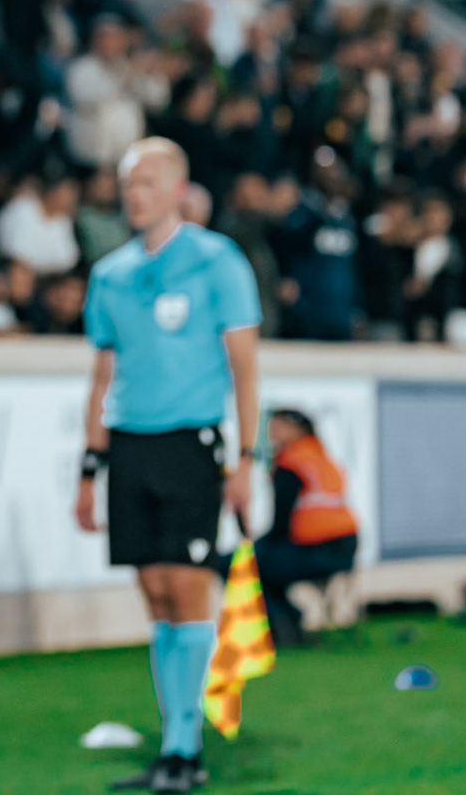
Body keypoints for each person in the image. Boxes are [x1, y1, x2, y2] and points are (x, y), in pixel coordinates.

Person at [76, 137, 261, 793]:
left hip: (191, 443)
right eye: (128, 183)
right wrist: (89, 467)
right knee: (154, 592)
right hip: (130, 446)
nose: (135, 194)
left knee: (187, 589)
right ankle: (172, 740)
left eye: (148, 182)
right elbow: (102, 376)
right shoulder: (111, 274)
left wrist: (244, 456)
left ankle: (186, 745)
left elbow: (245, 369)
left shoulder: (218, 261)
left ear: (179, 189)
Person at [253, 409, 359, 649]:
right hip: (346, 548)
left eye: (278, 426)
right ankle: (288, 621)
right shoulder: (320, 455)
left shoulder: (291, 461)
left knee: (243, 564)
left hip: (316, 550)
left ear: (296, 429)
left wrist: (259, 546)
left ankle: (285, 624)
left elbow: (281, 522)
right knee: (262, 563)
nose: (272, 433)